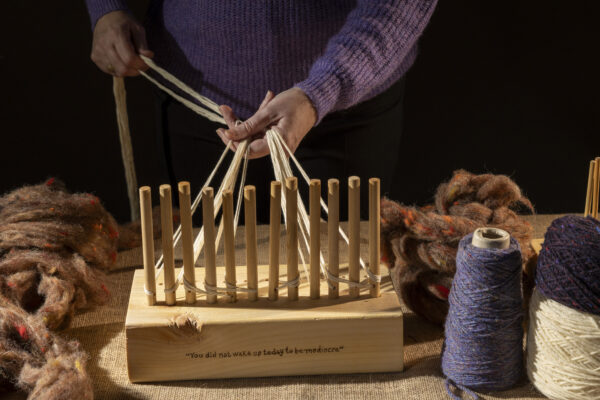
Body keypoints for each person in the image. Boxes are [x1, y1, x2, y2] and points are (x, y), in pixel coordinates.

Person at [86, 1, 438, 221]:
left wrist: (324, 89)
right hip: (197, 105)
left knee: (338, 305)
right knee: (209, 306)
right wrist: (106, 6)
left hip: (342, 111)